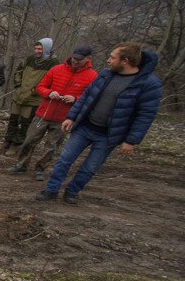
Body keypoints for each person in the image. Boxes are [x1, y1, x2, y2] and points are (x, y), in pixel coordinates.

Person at [36, 42, 162, 205]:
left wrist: (131, 140)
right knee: (64, 160)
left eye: (112, 57)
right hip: (85, 126)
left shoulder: (148, 84)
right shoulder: (106, 74)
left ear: (125, 60)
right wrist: (72, 116)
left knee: (90, 167)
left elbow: (145, 115)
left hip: (109, 135)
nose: (108, 60)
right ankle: (51, 190)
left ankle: (72, 192)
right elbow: (87, 96)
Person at [8, 45, 98, 181]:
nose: (75, 61)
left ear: (88, 59)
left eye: (79, 60)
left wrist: (75, 99)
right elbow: (40, 87)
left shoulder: (92, 76)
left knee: (52, 146)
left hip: (65, 117)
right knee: (29, 140)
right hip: (43, 113)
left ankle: (41, 168)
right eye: (74, 58)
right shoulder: (56, 69)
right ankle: (21, 164)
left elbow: (92, 97)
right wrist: (49, 93)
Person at [1, 38, 58, 154]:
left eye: (40, 49)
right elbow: (18, 71)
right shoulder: (30, 59)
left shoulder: (53, 64)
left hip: (34, 99)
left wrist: (34, 91)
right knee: (13, 120)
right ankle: (8, 141)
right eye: (36, 48)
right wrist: (18, 85)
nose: (37, 51)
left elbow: (51, 83)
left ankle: (17, 144)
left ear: (46, 49)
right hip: (19, 95)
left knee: (25, 122)